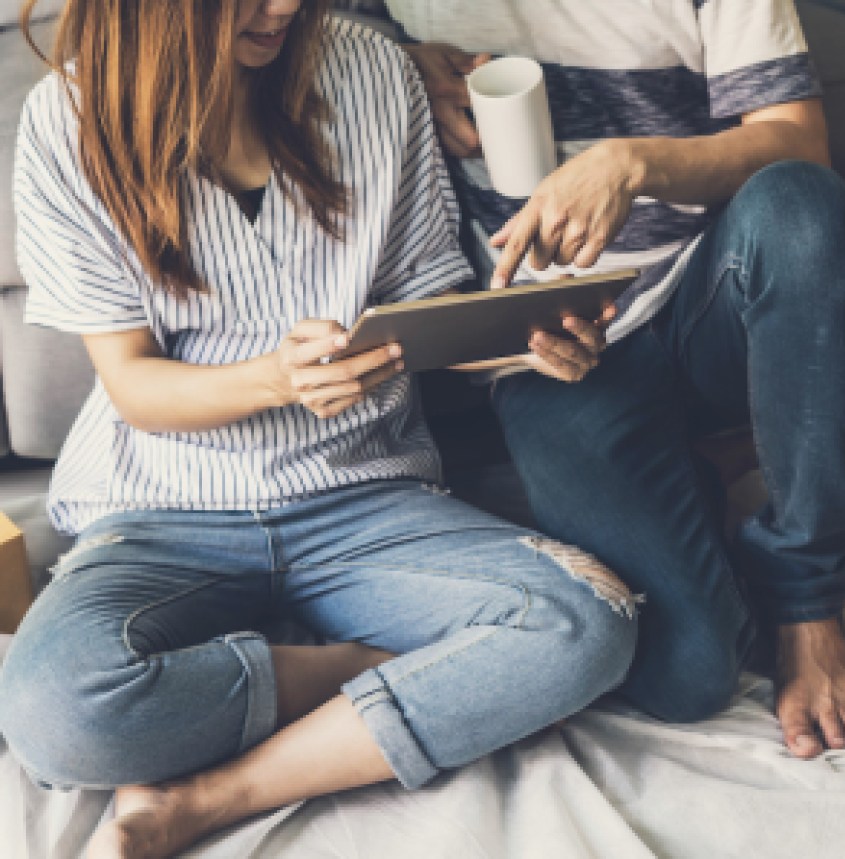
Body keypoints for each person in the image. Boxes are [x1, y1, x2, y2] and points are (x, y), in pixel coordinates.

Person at [0, 2, 639, 857]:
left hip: (366, 496)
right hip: (160, 509)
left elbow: (424, 314)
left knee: (589, 622)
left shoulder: (374, 70)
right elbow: (135, 387)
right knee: (57, 717)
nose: (286, 7)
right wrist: (273, 378)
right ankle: (356, 664)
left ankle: (211, 797)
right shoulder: (66, 122)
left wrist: (522, 345)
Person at [369, 0, 845, 759]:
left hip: (705, 290)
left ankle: (806, 592)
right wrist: (396, 60)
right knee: (688, 677)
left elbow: (797, 139)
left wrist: (635, 164)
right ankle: (700, 474)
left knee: (808, 211)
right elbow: (298, 36)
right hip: (546, 348)